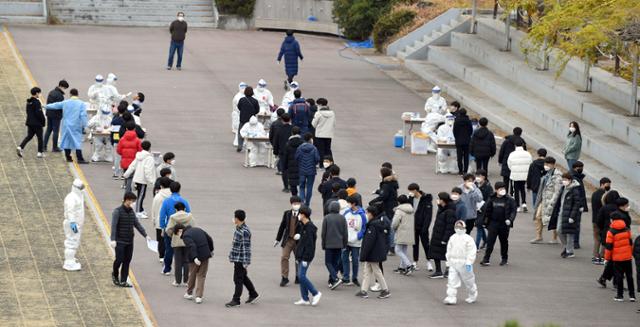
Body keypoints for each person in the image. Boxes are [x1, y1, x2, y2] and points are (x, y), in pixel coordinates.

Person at [110, 192, 150, 287]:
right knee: (119, 260)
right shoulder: (117, 211)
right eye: (132, 201)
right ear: (126, 200)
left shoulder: (132, 212)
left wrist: (145, 235)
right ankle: (115, 274)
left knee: (127, 261)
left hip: (129, 241)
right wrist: (113, 239)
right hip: (120, 241)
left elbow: (137, 224)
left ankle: (123, 280)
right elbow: (114, 226)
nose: (133, 203)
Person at [356, 205, 391, 299]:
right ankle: (363, 290)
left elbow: (368, 242)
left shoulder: (372, 226)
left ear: (371, 214)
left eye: (367, 213)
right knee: (367, 271)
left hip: (373, 253)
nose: (366, 214)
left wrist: (363, 255)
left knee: (377, 271)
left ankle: (385, 290)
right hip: (376, 252)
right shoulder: (379, 223)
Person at [226, 210, 260, 308]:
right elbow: (235, 245)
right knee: (243, 277)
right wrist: (231, 256)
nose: (233, 219)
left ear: (237, 218)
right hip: (237, 258)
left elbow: (246, 248)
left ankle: (236, 300)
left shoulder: (244, 231)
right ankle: (253, 294)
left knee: (238, 279)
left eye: (234, 217)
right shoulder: (239, 228)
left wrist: (245, 262)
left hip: (241, 259)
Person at [44, 89, 88, 163]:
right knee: (77, 141)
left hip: (66, 125)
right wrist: (85, 125)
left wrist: (45, 106)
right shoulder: (82, 104)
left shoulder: (65, 102)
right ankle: (80, 158)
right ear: (77, 94)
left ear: (70, 94)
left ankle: (68, 157)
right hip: (76, 125)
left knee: (67, 141)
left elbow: (55, 105)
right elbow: (83, 115)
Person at [480, 182, 516, 266]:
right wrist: (484, 222)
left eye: (503, 188)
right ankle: (486, 259)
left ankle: (504, 259)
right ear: (496, 190)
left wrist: (510, 220)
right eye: (500, 189)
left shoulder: (509, 199)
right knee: (490, 241)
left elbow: (513, 211)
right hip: (493, 223)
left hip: (504, 224)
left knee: (504, 241)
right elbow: (486, 211)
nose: (502, 190)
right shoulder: (491, 198)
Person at [160, 182, 191, 275]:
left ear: (170, 189)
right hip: (183, 229)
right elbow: (188, 214)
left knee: (169, 249)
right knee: (182, 250)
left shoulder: (166, 201)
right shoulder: (184, 201)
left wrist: (162, 227)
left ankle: (167, 269)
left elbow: (162, 216)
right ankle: (182, 269)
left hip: (170, 228)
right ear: (179, 189)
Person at [604, 207, 635, 302]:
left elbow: (608, 247)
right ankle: (632, 295)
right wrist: (630, 253)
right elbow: (630, 243)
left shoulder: (611, 231)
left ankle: (620, 295)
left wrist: (607, 258)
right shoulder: (627, 229)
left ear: (612, 220)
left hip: (617, 258)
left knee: (619, 276)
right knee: (629, 276)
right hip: (627, 257)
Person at [444, 220, 478, 305]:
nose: (458, 228)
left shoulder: (468, 239)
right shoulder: (452, 237)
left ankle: (472, 294)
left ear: (464, 227)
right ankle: (451, 297)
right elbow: (449, 250)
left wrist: (469, 262)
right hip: (453, 263)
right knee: (451, 280)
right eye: (457, 227)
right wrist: (448, 262)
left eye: (460, 227)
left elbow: (472, 251)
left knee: (469, 281)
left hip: (465, 263)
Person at [548, 173, 582, 258]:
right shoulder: (563, 188)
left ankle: (569, 251)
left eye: (565, 180)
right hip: (561, 213)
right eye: (563, 180)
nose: (564, 181)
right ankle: (567, 247)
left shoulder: (575, 190)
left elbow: (576, 204)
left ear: (570, 180)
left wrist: (572, 216)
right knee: (559, 230)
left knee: (569, 233)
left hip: (570, 215)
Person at [294, 206, 322, 306]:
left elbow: (310, 245)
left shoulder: (309, 227)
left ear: (303, 215)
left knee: (301, 276)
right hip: (301, 256)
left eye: (299, 214)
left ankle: (315, 293)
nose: (298, 215)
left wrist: (305, 258)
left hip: (306, 257)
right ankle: (304, 298)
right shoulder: (303, 225)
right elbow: (303, 242)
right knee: (301, 276)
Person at [179, 224, 214, 304]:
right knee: (201, 275)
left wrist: (195, 257)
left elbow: (192, 246)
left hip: (194, 258)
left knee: (192, 274)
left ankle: (189, 293)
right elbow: (209, 239)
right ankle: (199, 296)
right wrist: (211, 250)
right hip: (205, 255)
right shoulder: (199, 229)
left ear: (181, 231)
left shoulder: (186, 236)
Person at [531, 157, 562, 244]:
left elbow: (557, 191)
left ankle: (554, 237)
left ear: (553, 164)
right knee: (538, 216)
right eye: (545, 164)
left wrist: (553, 202)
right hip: (543, 199)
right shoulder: (546, 174)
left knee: (553, 219)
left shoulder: (557, 176)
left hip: (552, 201)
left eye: (548, 164)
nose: (546, 166)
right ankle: (538, 236)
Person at [123, 140, 155, 219]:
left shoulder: (138, 156)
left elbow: (132, 166)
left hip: (136, 178)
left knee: (140, 195)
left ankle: (140, 209)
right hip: (143, 180)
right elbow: (147, 170)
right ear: (149, 148)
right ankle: (138, 211)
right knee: (141, 196)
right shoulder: (149, 158)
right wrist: (151, 180)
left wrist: (126, 174)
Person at [166, 202, 195, 287]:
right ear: (184, 208)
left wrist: (173, 235)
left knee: (178, 262)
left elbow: (168, 229)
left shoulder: (173, 217)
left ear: (176, 209)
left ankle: (177, 281)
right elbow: (194, 227)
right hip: (187, 241)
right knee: (186, 261)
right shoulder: (189, 216)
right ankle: (186, 281)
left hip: (177, 242)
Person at [275, 196, 302, 286]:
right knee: (284, 257)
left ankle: (298, 276)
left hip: (299, 241)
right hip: (288, 240)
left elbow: (308, 226)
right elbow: (282, 226)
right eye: (295, 204)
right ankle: (284, 277)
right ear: (291, 204)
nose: (296, 205)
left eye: (298, 203)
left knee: (298, 259)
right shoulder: (287, 214)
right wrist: (277, 239)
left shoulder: (303, 213)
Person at [428, 193, 457, 278]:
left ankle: (448, 271)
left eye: (439, 199)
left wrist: (445, 239)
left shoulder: (450, 211)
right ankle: (438, 271)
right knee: (435, 253)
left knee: (447, 254)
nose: (438, 200)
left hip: (443, 236)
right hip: (437, 235)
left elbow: (450, 226)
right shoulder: (442, 209)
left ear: (443, 200)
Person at [596, 191, 621, 287]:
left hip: (607, 234)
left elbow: (599, 221)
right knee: (616, 260)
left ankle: (604, 278)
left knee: (610, 258)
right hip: (619, 237)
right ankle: (614, 281)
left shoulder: (604, 208)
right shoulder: (619, 209)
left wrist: (603, 230)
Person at [321, 201, 348, 289]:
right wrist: (344, 243)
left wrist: (323, 244)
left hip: (329, 244)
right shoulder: (342, 218)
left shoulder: (326, 218)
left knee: (328, 262)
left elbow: (323, 233)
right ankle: (332, 280)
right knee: (335, 262)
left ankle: (335, 278)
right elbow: (345, 233)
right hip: (339, 244)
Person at [342, 195, 367, 286]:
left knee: (355, 261)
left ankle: (354, 277)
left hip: (356, 242)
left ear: (354, 203)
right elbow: (342, 225)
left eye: (349, 203)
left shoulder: (362, 215)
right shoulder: (346, 213)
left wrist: (359, 236)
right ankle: (346, 277)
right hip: (346, 241)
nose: (348, 204)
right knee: (344, 259)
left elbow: (364, 228)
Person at [408, 183, 433, 272]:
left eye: (411, 191)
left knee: (426, 244)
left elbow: (428, 216)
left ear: (415, 190)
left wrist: (425, 228)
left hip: (423, 226)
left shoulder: (426, 199)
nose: (410, 193)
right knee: (415, 244)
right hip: (413, 225)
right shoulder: (410, 199)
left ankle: (429, 261)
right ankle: (415, 261)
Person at [62, 179, 85, 271]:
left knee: (74, 241)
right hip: (72, 224)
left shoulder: (78, 196)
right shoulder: (72, 198)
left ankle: (71, 258)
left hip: (75, 223)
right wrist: (73, 226)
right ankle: (69, 263)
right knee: (72, 242)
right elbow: (70, 212)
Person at [17, 87, 46, 158]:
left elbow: (27, 112)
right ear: (36, 93)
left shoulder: (29, 101)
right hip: (37, 123)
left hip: (29, 122)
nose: (40, 94)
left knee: (29, 136)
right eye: (39, 93)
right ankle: (40, 152)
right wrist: (43, 121)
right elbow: (39, 113)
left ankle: (20, 147)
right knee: (40, 138)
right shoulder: (37, 102)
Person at [498, 127, 527, 195]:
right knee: (514, 181)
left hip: (506, 162)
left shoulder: (507, 141)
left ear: (513, 132)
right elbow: (524, 153)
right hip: (518, 163)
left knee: (506, 180)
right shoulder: (522, 142)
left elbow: (501, 152)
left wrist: (500, 161)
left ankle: (504, 193)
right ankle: (512, 194)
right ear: (521, 133)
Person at [391, 195, 415, 275]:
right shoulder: (411, 209)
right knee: (403, 250)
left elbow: (395, 223)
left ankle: (409, 265)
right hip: (409, 232)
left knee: (397, 250)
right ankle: (402, 267)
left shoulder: (399, 210)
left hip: (401, 231)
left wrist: (393, 228)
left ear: (399, 202)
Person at [507, 139, 532, 212]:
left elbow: (509, 164)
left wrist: (513, 169)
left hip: (515, 174)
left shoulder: (512, 154)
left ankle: (517, 206)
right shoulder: (528, 154)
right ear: (523, 145)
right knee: (522, 189)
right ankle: (524, 203)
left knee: (516, 190)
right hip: (525, 174)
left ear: (515, 145)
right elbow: (530, 163)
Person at [87, 94, 114, 162]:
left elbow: (113, 126)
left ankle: (108, 156)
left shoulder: (109, 118)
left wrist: (108, 129)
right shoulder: (96, 118)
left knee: (109, 145)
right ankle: (96, 156)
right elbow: (88, 125)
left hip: (107, 135)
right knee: (99, 145)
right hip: (97, 135)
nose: (105, 115)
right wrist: (94, 124)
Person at [295, 133, 320, 206]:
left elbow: (296, 157)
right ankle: (307, 203)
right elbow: (317, 159)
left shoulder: (300, 148)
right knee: (309, 187)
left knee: (301, 186)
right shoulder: (314, 148)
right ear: (310, 139)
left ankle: (302, 200)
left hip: (302, 170)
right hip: (311, 170)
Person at [117, 122, 142, 193]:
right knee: (130, 178)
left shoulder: (122, 139)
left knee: (126, 176)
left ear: (126, 128)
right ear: (134, 129)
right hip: (134, 162)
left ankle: (126, 189)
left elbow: (118, 150)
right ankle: (127, 194)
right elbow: (140, 151)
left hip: (124, 161)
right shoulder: (137, 140)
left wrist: (124, 154)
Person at [43, 80, 68, 152]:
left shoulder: (51, 92)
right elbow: (60, 107)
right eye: (64, 88)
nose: (64, 89)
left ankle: (44, 147)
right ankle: (54, 147)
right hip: (56, 116)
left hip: (49, 114)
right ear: (61, 86)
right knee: (56, 131)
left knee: (48, 130)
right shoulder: (60, 96)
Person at [591, 177, 611, 264]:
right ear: (602, 184)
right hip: (602, 220)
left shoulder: (594, 194)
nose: (609, 186)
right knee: (604, 238)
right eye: (608, 185)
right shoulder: (605, 195)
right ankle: (602, 255)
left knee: (596, 239)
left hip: (594, 219)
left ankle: (595, 256)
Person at [152, 177, 172, 262]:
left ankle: (161, 256)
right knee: (170, 238)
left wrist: (153, 220)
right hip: (171, 220)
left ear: (161, 186)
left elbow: (154, 209)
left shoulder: (158, 196)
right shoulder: (172, 195)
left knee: (160, 239)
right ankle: (169, 254)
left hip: (159, 220)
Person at [570, 161, 588, 249]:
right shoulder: (575, 178)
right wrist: (580, 205)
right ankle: (574, 242)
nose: (581, 169)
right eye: (580, 167)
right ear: (575, 168)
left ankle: (574, 241)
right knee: (576, 224)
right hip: (575, 205)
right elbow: (578, 194)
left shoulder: (577, 177)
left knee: (575, 223)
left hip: (576, 204)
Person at [273, 113, 293, 191]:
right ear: (290, 120)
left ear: (282, 120)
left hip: (282, 152)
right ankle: (291, 185)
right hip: (292, 152)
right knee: (291, 169)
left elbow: (276, 142)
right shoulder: (293, 128)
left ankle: (286, 186)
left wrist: (275, 151)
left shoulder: (279, 130)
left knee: (284, 169)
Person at [237, 87, 260, 152]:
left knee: (240, 132)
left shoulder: (242, 100)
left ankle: (240, 146)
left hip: (243, 118)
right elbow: (257, 110)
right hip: (251, 120)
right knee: (251, 133)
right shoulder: (255, 101)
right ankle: (249, 147)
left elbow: (239, 107)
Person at [282, 127, 303, 196]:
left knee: (292, 181)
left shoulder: (288, 144)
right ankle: (301, 196)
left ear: (292, 133)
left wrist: (284, 166)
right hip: (301, 164)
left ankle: (294, 196)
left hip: (291, 165)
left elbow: (285, 156)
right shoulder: (302, 143)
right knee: (301, 181)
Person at [474, 170, 493, 249]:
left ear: (484, 177)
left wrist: (483, 206)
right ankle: (486, 240)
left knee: (479, 226)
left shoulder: (488, 187)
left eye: (480, 176)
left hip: (484, 210)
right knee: (480, 226)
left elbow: (490, 199)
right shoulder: (474, 185)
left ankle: (476, 245)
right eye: (477, 176)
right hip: (476, 209)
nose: (478, 178)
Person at [453, 108, 473, 174]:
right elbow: (471, 130)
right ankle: (465, 170)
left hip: (458, 140)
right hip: (467, 140)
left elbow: (454, 131)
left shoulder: (456, 121)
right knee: (466, 156)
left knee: (459, 156)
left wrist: (457, 137)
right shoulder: (468, 121)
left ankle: (460, 170)